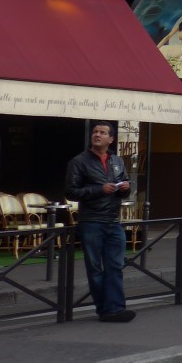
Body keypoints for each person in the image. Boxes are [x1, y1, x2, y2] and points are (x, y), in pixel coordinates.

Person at [65, 122, 135, 322]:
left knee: (115, 266)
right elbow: (71, 192)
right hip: (92, 221)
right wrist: (98, 189)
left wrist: (125, 188)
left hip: (113, 220)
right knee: (95, 268)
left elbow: (126, 187)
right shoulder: (79, 162)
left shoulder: (117, 161)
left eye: (102, 133)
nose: (97, 135)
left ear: (111, 139)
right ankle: (104, 309)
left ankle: (115, 309)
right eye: (95, 132)